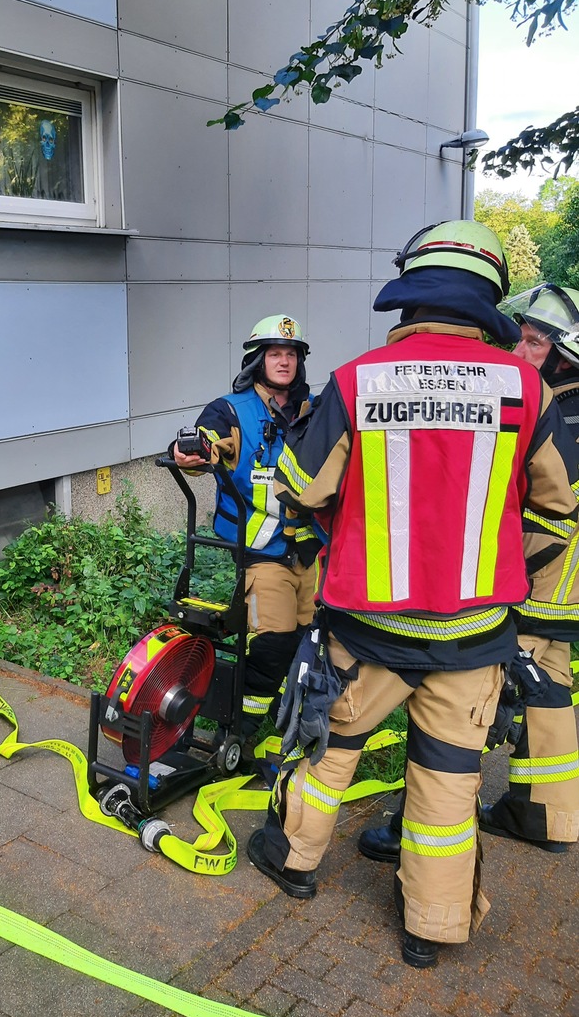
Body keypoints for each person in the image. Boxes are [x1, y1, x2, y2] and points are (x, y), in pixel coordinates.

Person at [245, 221, 578, 969]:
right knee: (451, 779)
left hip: (367, 630)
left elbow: (303, 486)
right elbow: (561, 502)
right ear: (488, 299)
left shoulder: (359, 380)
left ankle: (293, 860)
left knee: (332, 750)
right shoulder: (528, 386)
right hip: (477, 631)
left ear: (412, 293)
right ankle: (432, 923)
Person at [359, 283, 579, 863]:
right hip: (564, 601)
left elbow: (548, 507)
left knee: (466, 718)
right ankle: (544, 816)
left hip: (530, 589)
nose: (519, 349)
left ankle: (417, 825)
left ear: (563, 355)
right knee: (550, 698)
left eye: (532, 342)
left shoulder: (551, 410)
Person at [171, 315, 319, 764]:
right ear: (258, 360)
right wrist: (191, 452)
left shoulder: (315, 407)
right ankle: (238, 732)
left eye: (291, 354)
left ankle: (286, 723)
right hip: (261, 553)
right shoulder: (232, 410)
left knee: (311, 641)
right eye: (275, 353)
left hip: (312, 550)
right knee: (272, 644)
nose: (284, 361)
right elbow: (202, 444)